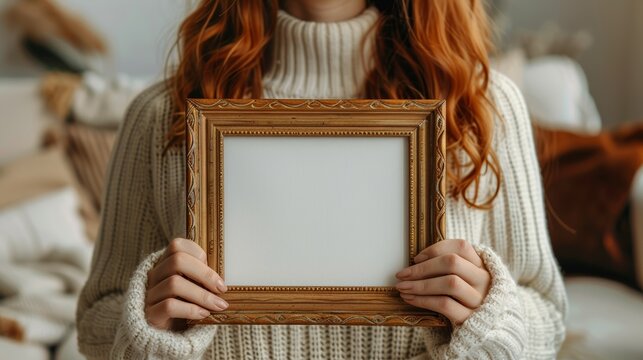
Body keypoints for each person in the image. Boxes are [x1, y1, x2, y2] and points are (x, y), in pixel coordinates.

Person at [77, 0, 568, 359]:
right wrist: (149, 323)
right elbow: (96, 322)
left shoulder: (485, 107)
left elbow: (547, 314)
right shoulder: (162, 114)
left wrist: (490, 315)